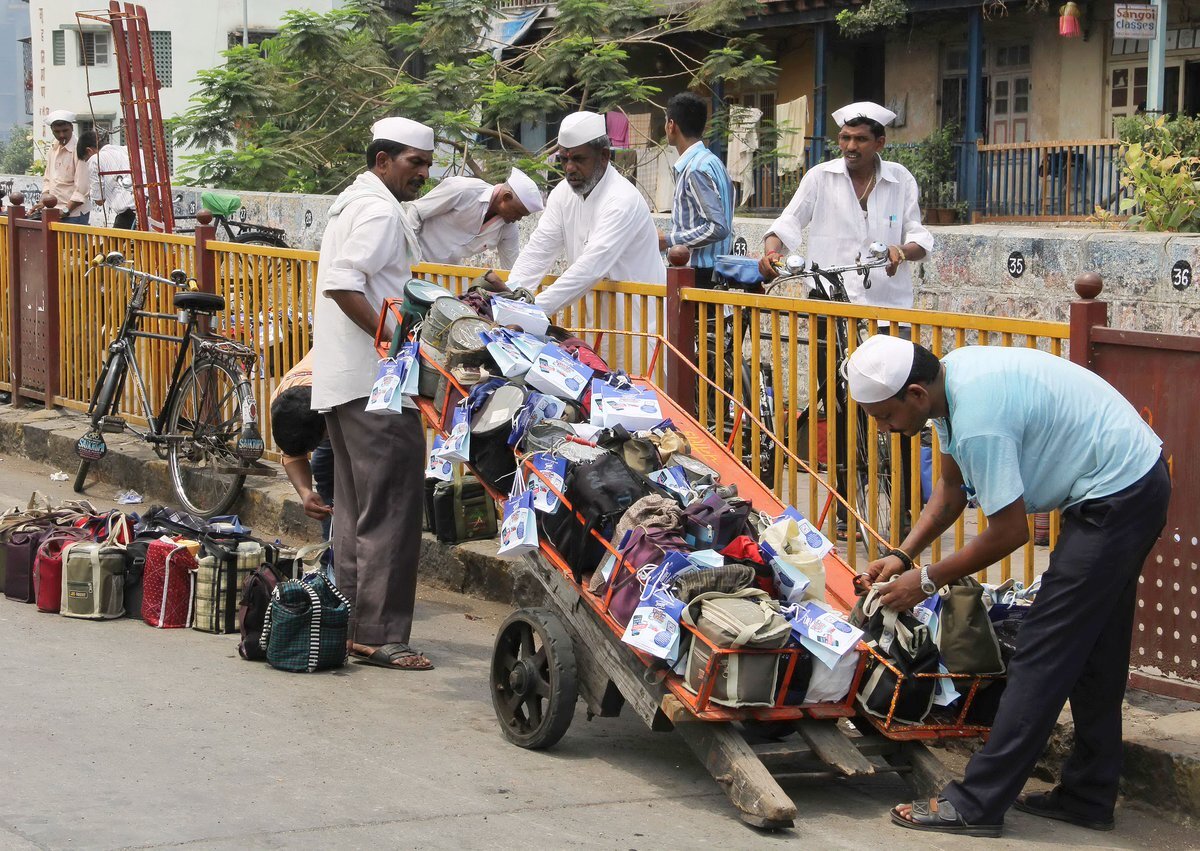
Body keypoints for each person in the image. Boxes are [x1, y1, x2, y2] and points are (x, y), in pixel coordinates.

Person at [844, 334, 1169, 839]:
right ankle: (1089, 794)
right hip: (1127, 482)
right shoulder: (948, 386)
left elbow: (1010, 532)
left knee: (1043, 648)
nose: (883, 428)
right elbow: (950, 495)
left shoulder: (978, 422)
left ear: (914, 394)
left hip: (1119, 494)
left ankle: (976, 804)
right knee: (1096, 651)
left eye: (884, 415)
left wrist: (925, 580)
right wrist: (900, 555)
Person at [761, 101, 934, 539]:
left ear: (880, 142)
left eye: (860, 139)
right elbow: (789, 220)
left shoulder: (900, 180)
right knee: (840, 407)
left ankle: (907, 509)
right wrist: (772, 249)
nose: (851, 147)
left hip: (887, 313)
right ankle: (844, 508)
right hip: (830, 307)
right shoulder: (821, 178)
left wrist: (901, 251)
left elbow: (918, 234)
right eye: (845, 139)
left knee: (901, 408)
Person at [310, 116, 435, 672]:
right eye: (415, 163)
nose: (423, 175)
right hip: (375, 385)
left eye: (428, 165)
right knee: (392, 510)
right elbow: (343, 281)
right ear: (382, 160)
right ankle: (381, 634)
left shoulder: (354, 202)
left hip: (344, 381)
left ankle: (354, 625)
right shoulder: (380, 210)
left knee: (356, 511)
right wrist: (393, 341)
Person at [501, 111, 665, 327]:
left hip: (639, 329)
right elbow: (538, 251)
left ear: (604, 156)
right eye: (564, 159)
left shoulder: (622, 200)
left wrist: (532, 311)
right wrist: (508, 300)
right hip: (594, 326)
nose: (569, 168)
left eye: (578, 159)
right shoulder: (562, 193)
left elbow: (591, 267)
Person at [658, 91, 734, 289]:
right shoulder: (714, 162)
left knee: (694, 322)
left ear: (671, 125)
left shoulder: (695, 169)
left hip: (698, 276)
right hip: (717, 273)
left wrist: (668, 240)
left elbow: (718, 227)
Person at [270, 351, 335, 579]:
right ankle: (331, 564)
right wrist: (306, 493)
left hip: (357, 398)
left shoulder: (338, 393)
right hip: (325, 408)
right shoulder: (283, 401)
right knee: (328, 486)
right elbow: (292, 455)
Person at [407, 168, 543, 268]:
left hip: (447, 277)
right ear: (506, 197)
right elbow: (416, 211)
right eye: (518, 212)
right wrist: (408, 254)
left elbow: (511, 269)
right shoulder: (463, 190)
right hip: (414, 264)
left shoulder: (508, 228)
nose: (518, 219)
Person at [32, 110, 91, 224]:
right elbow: (48, 180)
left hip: (74, 214)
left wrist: (66, 210)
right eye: (57, 132)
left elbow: (82, 189)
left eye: (65, 130)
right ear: (52, 131)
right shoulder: (53, 148)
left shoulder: (79, 149)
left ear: (72, 128)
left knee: (73, 242)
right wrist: (42, 202)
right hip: (54, 211)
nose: (62, 135)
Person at [77, 130, 136, 229]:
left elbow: (99, 200)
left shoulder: (95, 159)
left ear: (89, 151)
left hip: (129, 214)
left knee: (113, 244)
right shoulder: (128, 150)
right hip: (153, 208)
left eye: (86, 159)